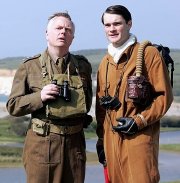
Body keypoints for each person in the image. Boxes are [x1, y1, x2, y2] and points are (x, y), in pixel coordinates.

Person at [6, 12, 93, 183]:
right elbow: (13, 105)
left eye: (68, 29)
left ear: (73, 37)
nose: (63, 32)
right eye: (58, 28)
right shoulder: (30, 66)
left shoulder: (82, 66)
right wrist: (40, 96)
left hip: (74, 146)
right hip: (42, 145)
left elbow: (87, 103)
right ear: (47, 33)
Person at [95, 5, 173, 183]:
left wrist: (139, 121)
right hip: (111, 145)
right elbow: (101, 109)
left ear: (129, 24)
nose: (112, 29)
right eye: (107, 25)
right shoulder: (104, 63)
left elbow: (164, 97)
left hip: (138, 141)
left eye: (117, 23)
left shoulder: (148, 54)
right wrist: (101, 140)